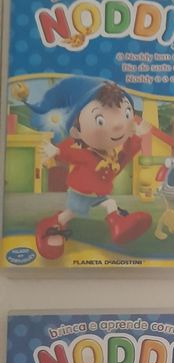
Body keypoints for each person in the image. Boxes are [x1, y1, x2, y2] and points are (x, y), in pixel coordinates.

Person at [22, 76, 152, 259]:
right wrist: (57, 151)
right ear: (76, 131)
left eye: (126, 114)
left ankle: (118, 226)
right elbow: (73, 154)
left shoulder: (111, 156)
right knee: (70, 213)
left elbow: (125, 157)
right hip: (81, 192)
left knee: (110, 204)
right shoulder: (86, 153)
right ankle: (50, 225)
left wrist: (136, 136)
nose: (118, 126)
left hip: (98, 194)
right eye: (100, 120)